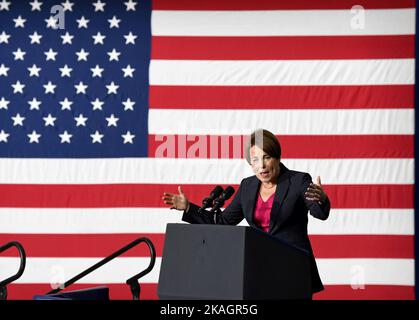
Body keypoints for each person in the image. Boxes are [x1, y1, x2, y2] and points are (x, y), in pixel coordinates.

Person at [162, 129, 331, 295]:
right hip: (259, 272)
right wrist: (188, 208)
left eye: (267, 157)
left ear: (277, 157)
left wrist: (321, 199)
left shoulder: (298, 181)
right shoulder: (247, 187)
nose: (262, 165)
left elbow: (320, 213)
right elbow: (223, 221)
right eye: (255, 160)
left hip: (292, 271)